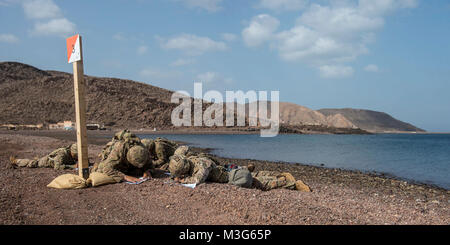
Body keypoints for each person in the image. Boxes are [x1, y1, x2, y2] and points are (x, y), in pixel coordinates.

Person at [10, 143, 78, 170]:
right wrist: (72, 167)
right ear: (71, 151)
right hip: (45, 162)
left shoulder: (72, 154)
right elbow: (57, 167)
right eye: (75, 154)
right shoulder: (62, 154)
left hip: (50, 161)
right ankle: (16, 161)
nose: (76, 156)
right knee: (32, 163)